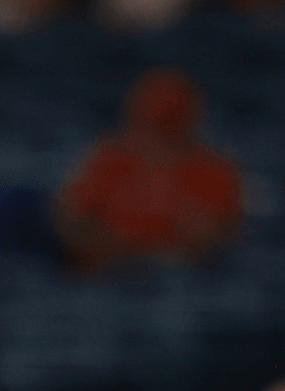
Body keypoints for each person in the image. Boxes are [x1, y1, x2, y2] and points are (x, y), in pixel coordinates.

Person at [55, 68, 243, 270]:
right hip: (110, 264)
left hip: (177, 268)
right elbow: (71, 219)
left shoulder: (213, 171)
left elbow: (219, 234)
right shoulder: (109, 161)